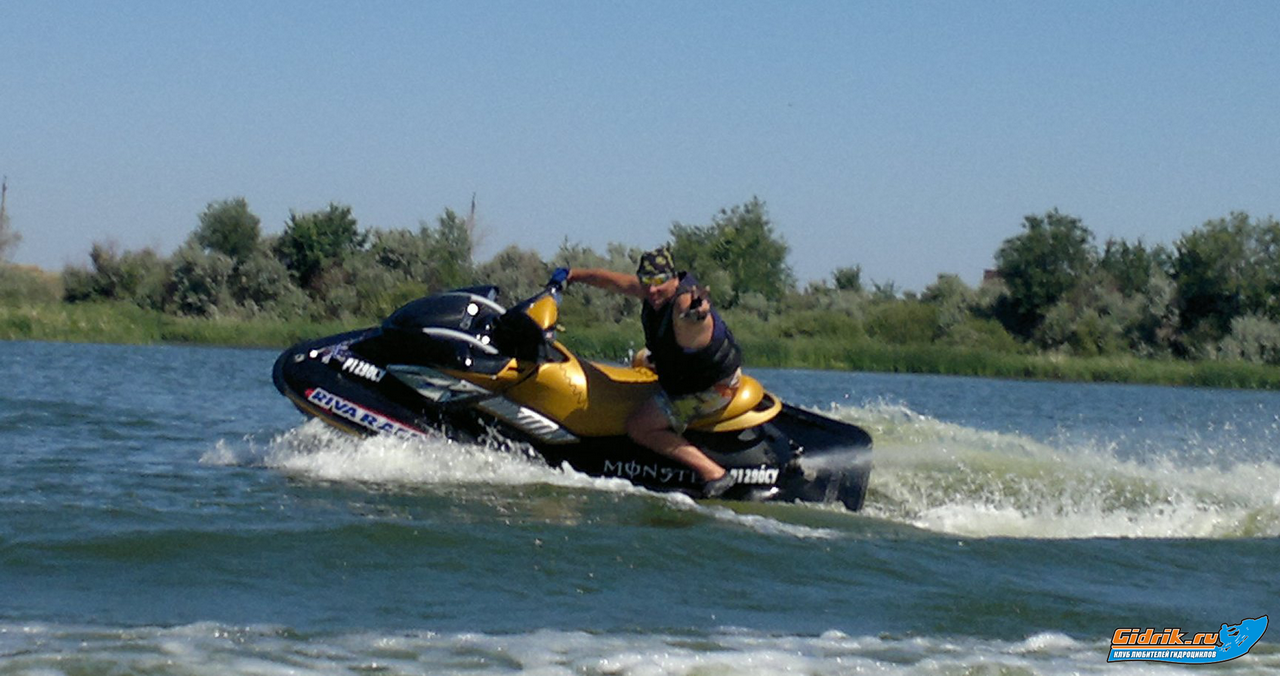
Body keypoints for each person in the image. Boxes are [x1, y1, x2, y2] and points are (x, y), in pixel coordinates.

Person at [564, 247, 743, 498]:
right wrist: (572, 274)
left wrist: (698, 313)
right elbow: (609, 280)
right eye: (646, 281)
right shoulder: (652, 292)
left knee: (639, 426)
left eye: (659, 281)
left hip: (712, 387)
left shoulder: (683, 305)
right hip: (686, 371)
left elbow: (694, 316)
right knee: (639, 358)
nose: (652, 289)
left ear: (674, 279)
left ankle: (713, 473)